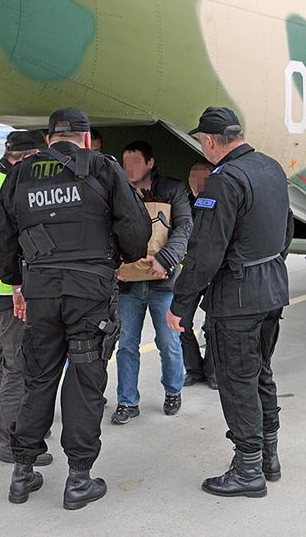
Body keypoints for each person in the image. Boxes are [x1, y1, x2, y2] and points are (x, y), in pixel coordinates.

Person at [0, 107, 151, 508]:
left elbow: (2, 240)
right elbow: (135, 229)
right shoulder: (102, 168)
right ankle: (78, 479)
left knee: (39, 378)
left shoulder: (20, 175)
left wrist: (16, 280)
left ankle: (22, 473)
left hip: (41, 293)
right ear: (83, 137)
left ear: (48, 140)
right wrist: (120, 257)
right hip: (89, 295)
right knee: (84, 381)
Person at [167, 107, 292, 498]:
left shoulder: (223, 181)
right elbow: (285, 230)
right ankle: (268, 456)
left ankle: (248, 469)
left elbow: (205, 252)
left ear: (207, 141)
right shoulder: (270, 167)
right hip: (272, 287)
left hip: (237, 298)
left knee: (238, 382)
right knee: (261, 374)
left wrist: (181, 304)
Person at [0, 130, 52, 466]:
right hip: (7, 292)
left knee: (8, 362)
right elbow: (11, 244)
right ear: (28, 155)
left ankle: (14, 425)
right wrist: (20, 288)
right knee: (19, 367)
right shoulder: (13, 187)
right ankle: (12, 442)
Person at [111, 141, 193, 424]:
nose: (128, 168)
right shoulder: (117, 190)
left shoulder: (173, 190)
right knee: (126, 345)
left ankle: (173, 390)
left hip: (163, 282)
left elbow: (184, 228)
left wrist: (165, 259)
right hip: (128, 284)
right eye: (125, 161)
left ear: (150, 163)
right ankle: (127, 401)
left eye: (135, 161)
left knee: (169, 341)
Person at [180, 161, 217, 390]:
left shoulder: (220, 203)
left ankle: (213, 372)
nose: (197, 183)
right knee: (182, 322)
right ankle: (194, 369)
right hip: (191, 272)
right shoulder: (185, 203)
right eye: (194, 177)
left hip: (214, 271)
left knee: (212, 326)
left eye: (202, 178)